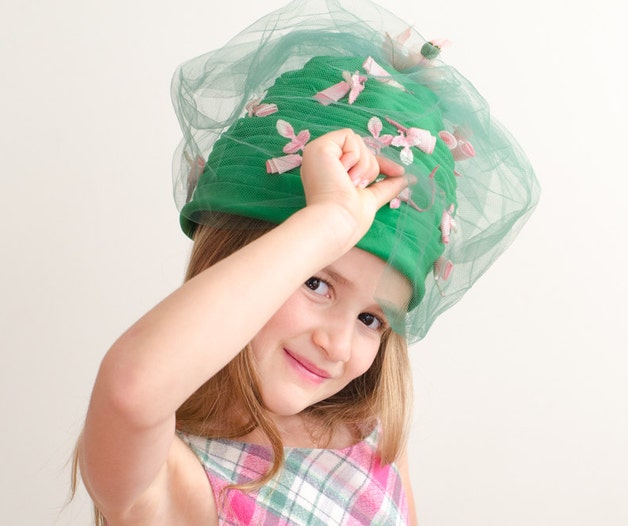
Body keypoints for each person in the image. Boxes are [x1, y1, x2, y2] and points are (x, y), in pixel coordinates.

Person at [73, 0, 540, 523]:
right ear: (239, 255)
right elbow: (131, 391)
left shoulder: (370, 440)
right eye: (316, 283)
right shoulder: (171, 478)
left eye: (370, 320)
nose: (335, 344)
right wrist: (326, 224)